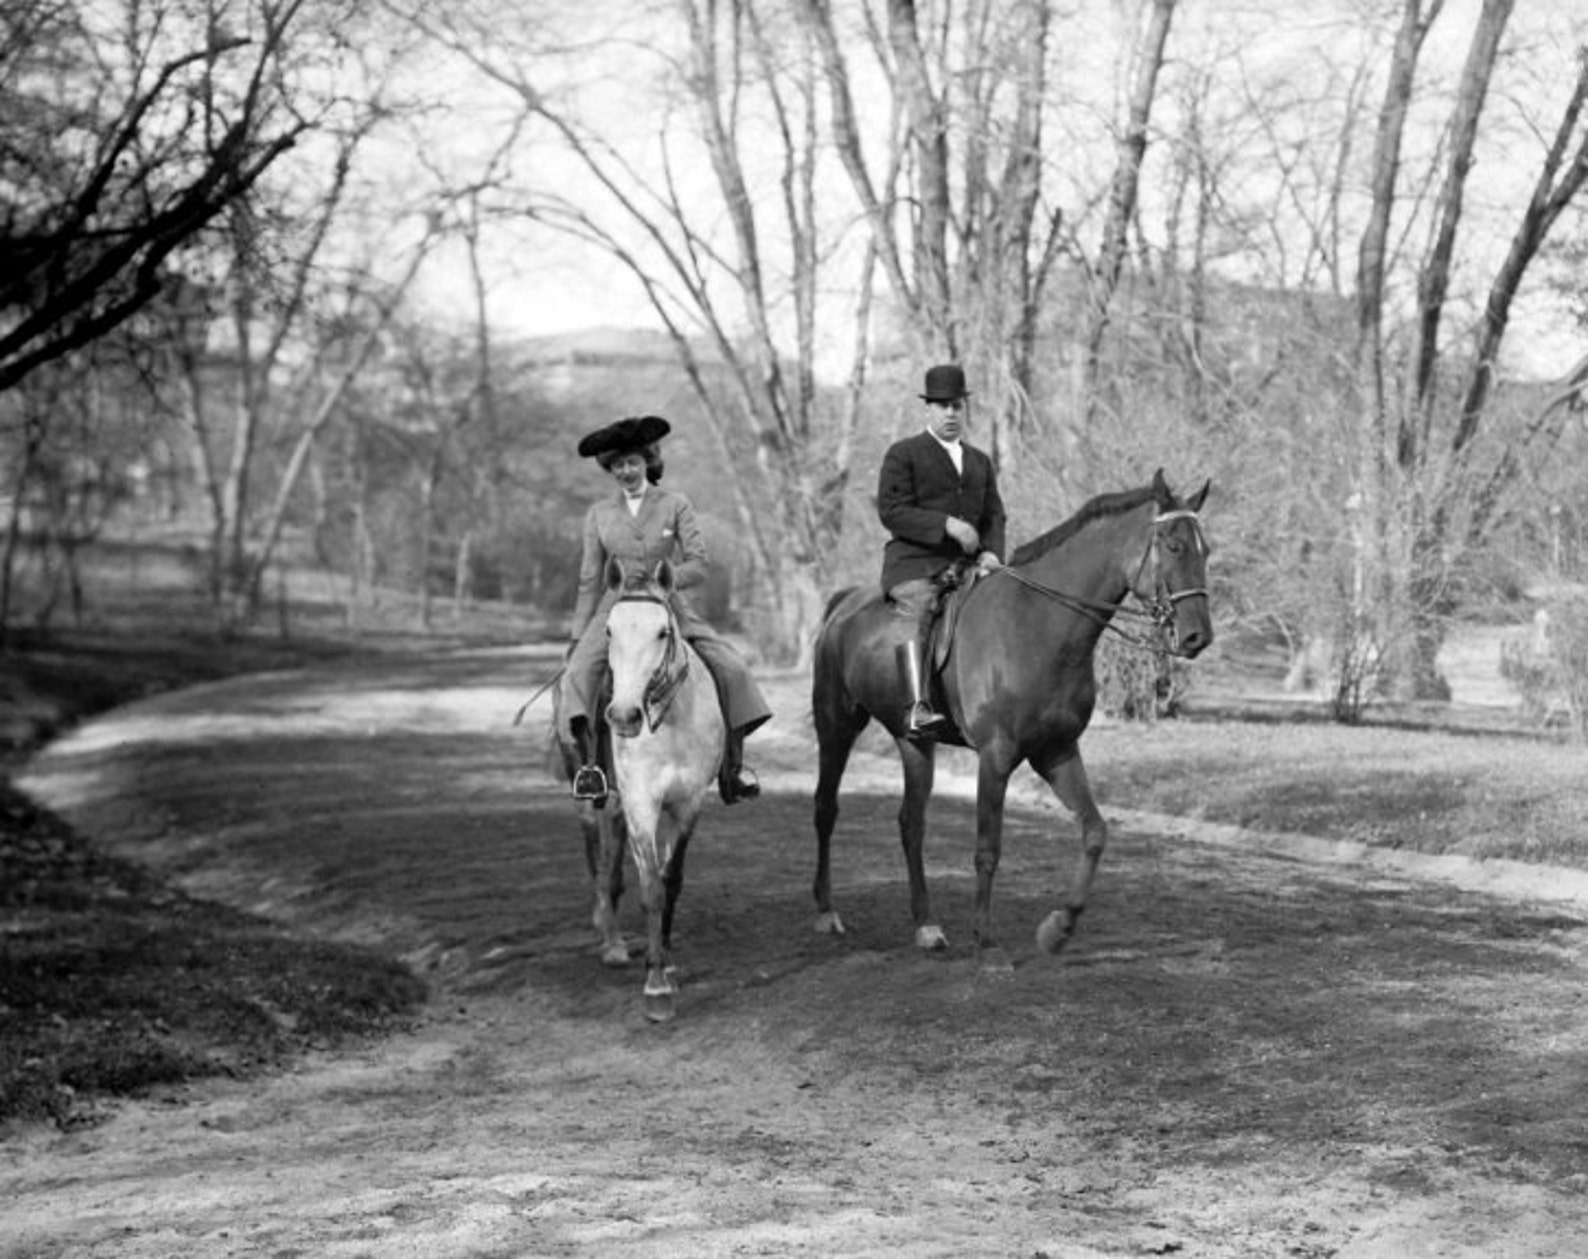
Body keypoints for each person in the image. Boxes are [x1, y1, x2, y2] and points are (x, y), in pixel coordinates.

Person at [558, 414, 771, 805]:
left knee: (732, 668)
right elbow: (590, 578)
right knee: (578, 676)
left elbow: (699, 562)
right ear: (611, 469)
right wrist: (577, 634)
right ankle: (592, 769)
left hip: (667, 604)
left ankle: (732, 767)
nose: (626, 471)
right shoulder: (599, 514)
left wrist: (667, 578)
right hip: (613, 609)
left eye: (633, 463)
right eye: (618, 465)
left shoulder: (675, 504)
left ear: (648, 463)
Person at [876, 363, 1006, 737]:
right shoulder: (903, 454)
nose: (951, 413)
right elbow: (892, 511)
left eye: (956, 406)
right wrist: (946, 524)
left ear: (963, 409)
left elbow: (996, 515)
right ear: (927, 409)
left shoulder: (980, 461)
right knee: (919, 608)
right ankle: (917, 706)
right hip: (916, 566)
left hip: (970, 566)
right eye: (942, 405)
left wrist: (992, 553)